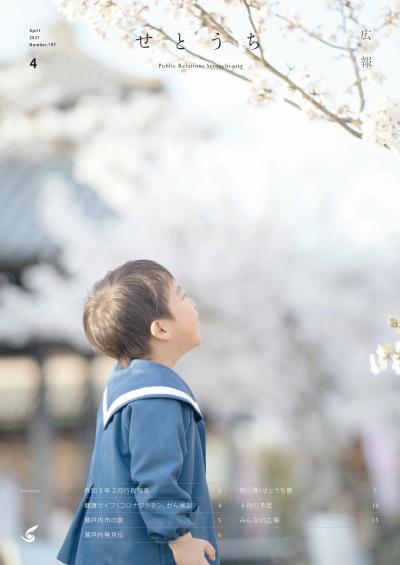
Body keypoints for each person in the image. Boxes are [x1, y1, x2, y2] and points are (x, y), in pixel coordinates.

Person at [56, 259, 219, 565]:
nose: (193, 302)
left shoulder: (125, 387)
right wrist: (180, 540)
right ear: (160, 328)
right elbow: (156, 479)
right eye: (182, 296)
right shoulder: (156, 396)